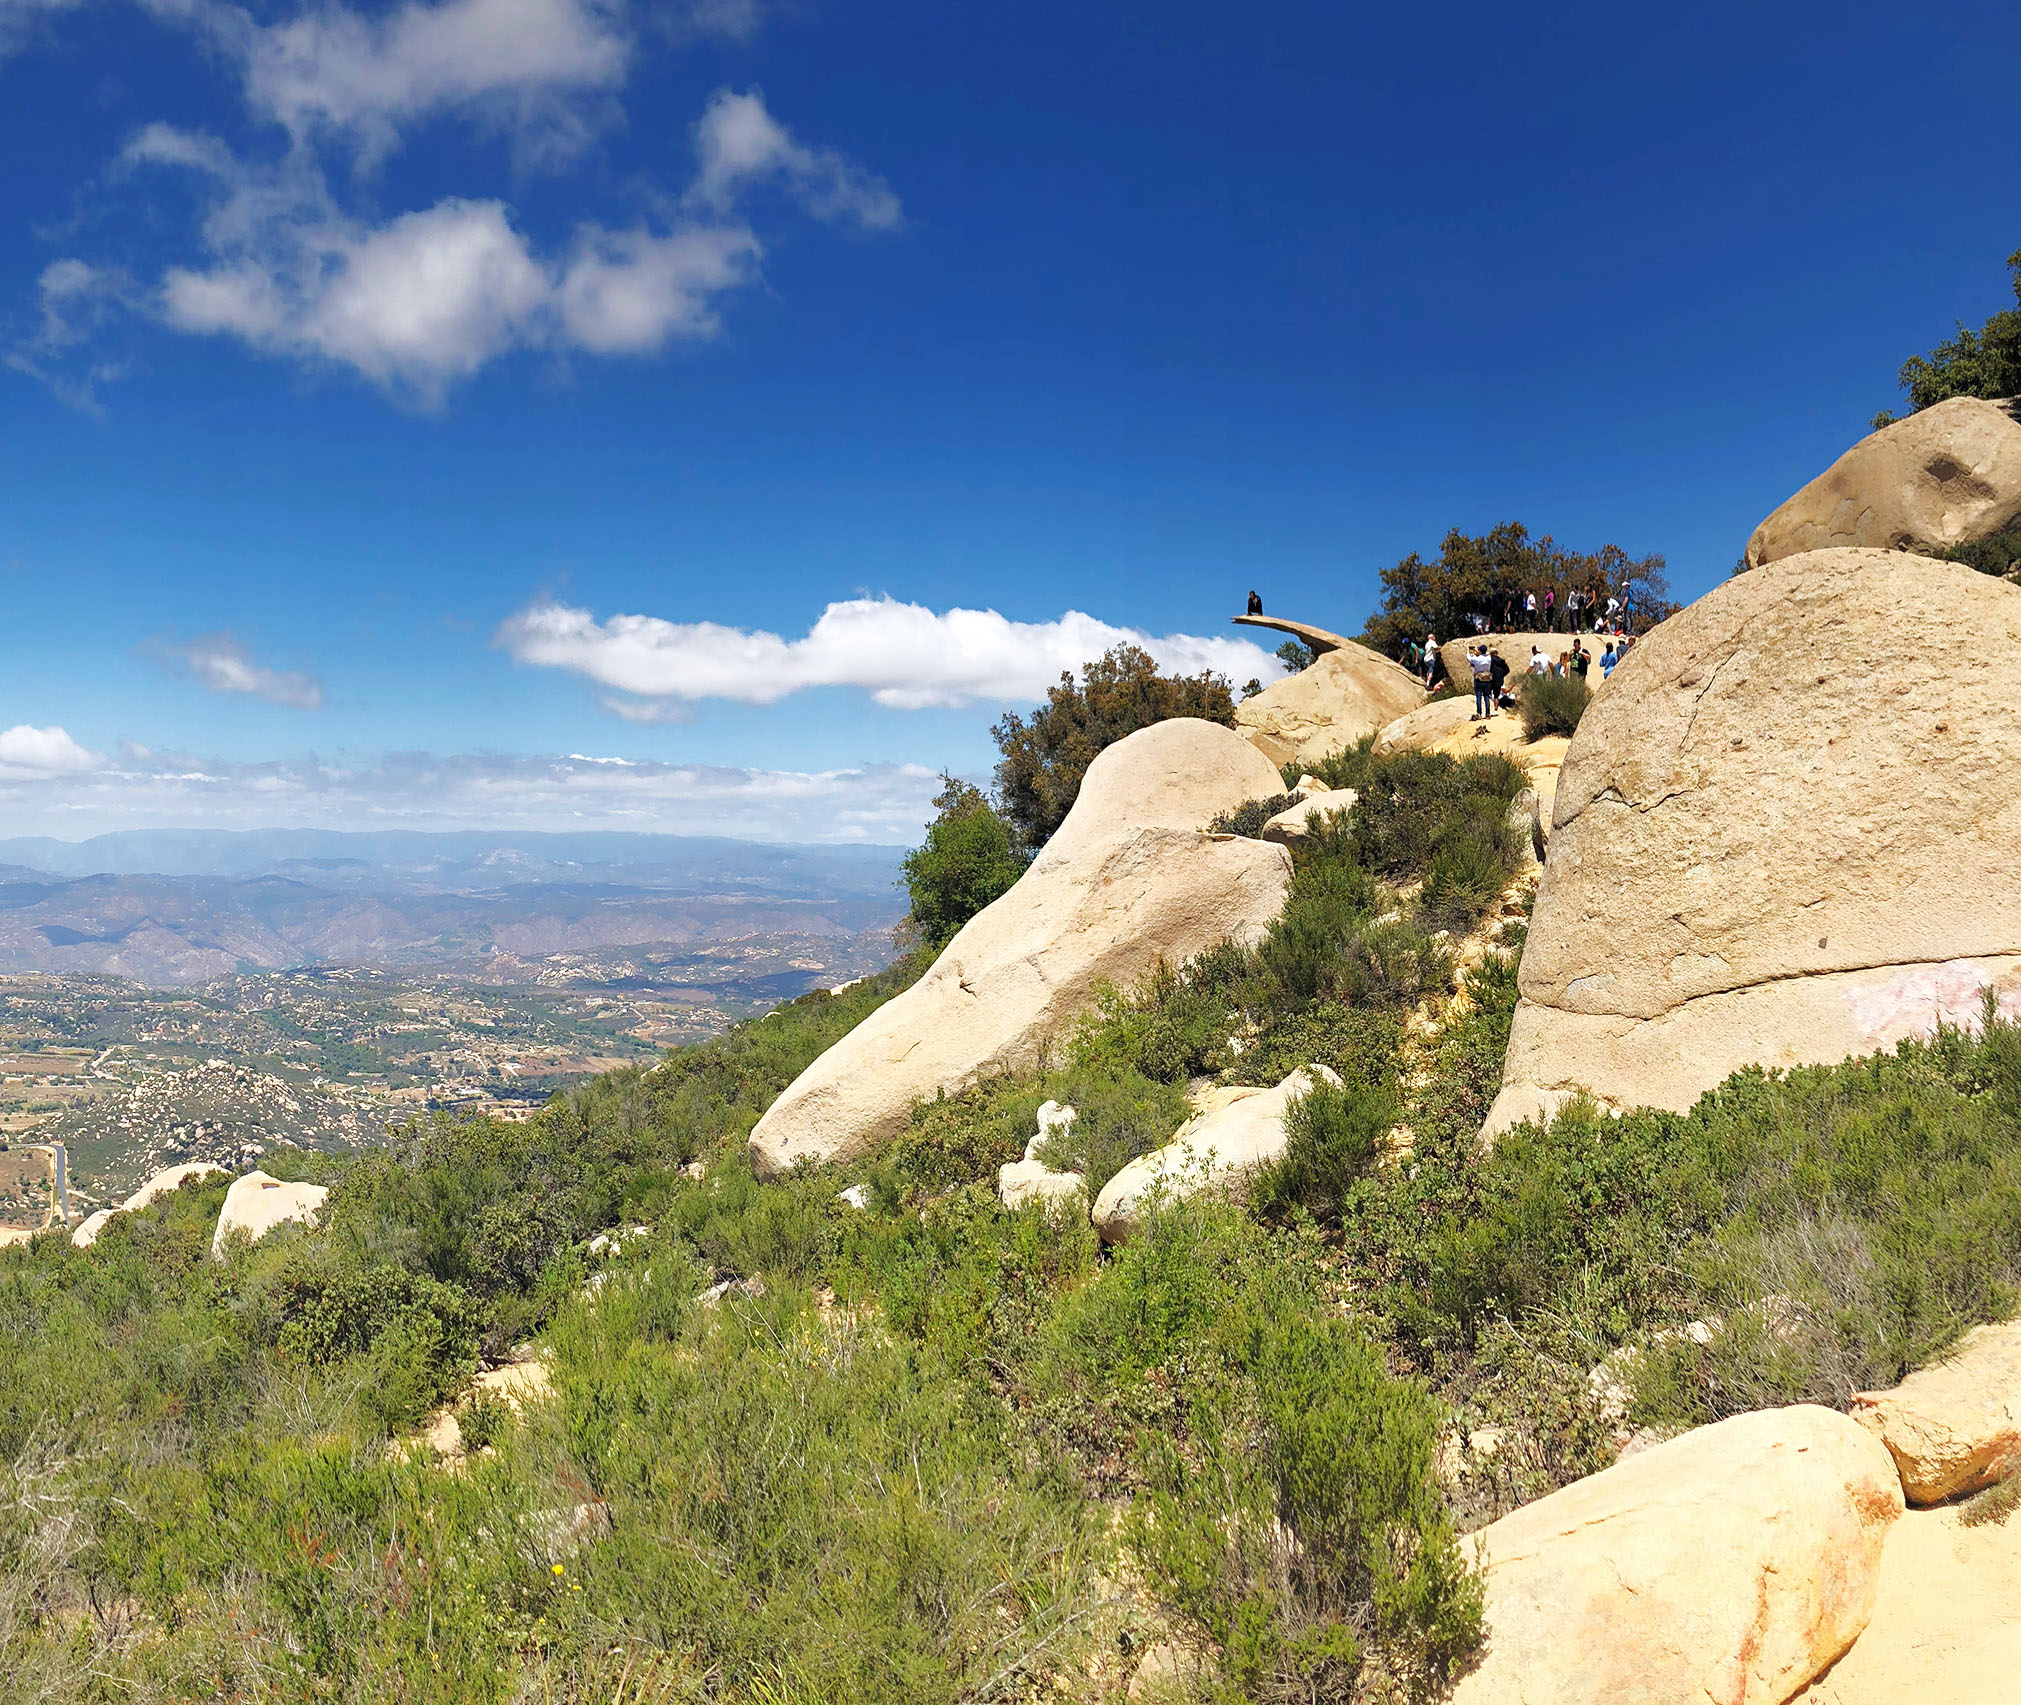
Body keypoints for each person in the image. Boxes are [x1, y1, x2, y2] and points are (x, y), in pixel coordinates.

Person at [1468, 644, 1495, 719]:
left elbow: (1469, 658)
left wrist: (1469, 651)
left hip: (1479, 679)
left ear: (1480, 651)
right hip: (1487, 679)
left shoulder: (1476, 658)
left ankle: (1479, 713)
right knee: (1487, 696)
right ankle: (1488, 714)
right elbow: (1485, 655)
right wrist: (1478, 652)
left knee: (1479, 697)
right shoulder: (1489, 658)